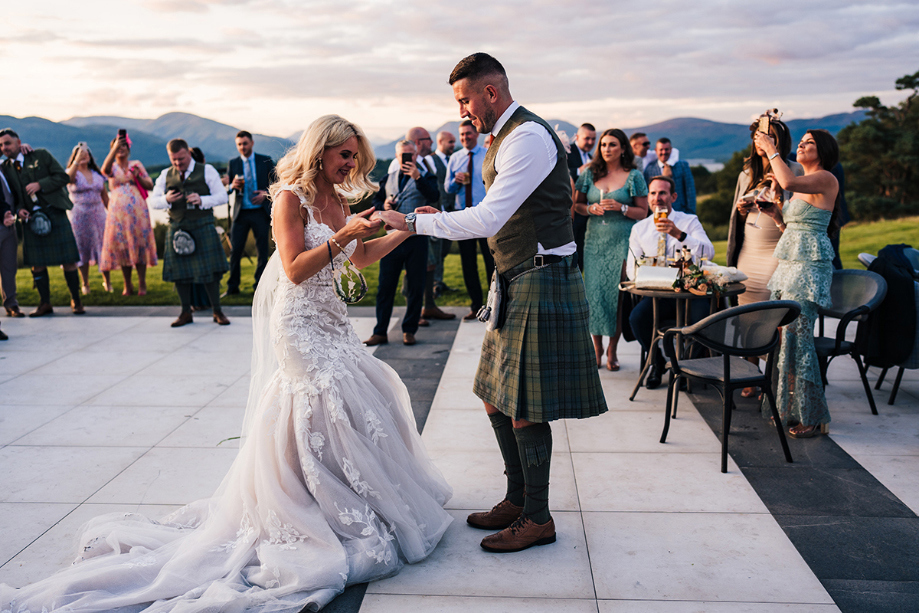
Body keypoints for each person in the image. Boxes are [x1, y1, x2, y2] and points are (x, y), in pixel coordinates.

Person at [0, 114, 453, 613]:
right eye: (345, 154)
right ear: (319, 151)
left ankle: (347, 499)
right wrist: (347, 236)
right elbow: (297, 269)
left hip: (333, 321)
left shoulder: (341, 200)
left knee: (363, 398)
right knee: (320, 404)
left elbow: (359, 260)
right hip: (300, 324)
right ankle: (305, 507)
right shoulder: (289, 198)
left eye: (356, 157)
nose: (351, 164)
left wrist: (406, 230)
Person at [379, 52, 607, 553]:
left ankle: (538, 517)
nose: (461, 111)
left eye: (464, 100)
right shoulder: (504, 135)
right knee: (493, 393)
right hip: (518, 277)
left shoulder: (525, 136)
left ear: (491, 92)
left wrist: (415, 224)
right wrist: (439, 214)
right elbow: (493, 214)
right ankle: (517, 496)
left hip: (542, 278)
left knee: (525, 406)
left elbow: (487, 219)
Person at [754, 129, 839, 439]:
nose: (802, 146)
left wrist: (770, 147)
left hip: (808, 270)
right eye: (801, 142)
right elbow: (794, 227)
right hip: (789, 266)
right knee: (785, 337)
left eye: (809, 142)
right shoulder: (801, 185)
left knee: (799, 341)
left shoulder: (826, 178)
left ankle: (814, 416)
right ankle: (789, 408)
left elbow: (786, 180)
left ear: (824, 150)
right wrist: (778, 216)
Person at [726, 114, 803, 398]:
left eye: (770, 134)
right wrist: (743, 207)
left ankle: (774, 378)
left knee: (773, 319)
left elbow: (798, 216)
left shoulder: (794, 169)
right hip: (749, 252)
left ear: (781, 139)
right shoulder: (746, 173)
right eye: (760, 134)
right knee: (748, 319)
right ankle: (750, 374)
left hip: (777, 251)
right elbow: (736, 214)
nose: (764, 139)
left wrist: (779, 196)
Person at [627, 176, 715, 389]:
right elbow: (632, 270)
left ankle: (686, 367)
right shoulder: (639, 229)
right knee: (637, 319)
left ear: (673, 196)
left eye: (663, 193)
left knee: (701, 321)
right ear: (648, 198)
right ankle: (657, 362)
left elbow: (709, 252)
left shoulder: (689, 221)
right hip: (660, 295)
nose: (658, 198)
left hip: (690, 294)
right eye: (653, 193)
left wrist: (679, 234)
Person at [572, 128, 649, 371]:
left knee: (615, 297)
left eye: (612, 145)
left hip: (621, 242)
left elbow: (643, 212)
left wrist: (621, 208)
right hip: (594, 242)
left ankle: (612, 351)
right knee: (594, 297)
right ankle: (596, 349)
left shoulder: (634, 176)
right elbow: (577, 205)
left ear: (623, 148)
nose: (606, 149)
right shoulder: (588, 174)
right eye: (603, 144)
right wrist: (591, 209)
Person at [0, 128, 85, 316]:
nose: (4, 147)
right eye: (1, 145)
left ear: (18, 142)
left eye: (8, 143)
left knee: (69, 260)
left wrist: (41, 184)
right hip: (30, 219)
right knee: (37, 264)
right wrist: (18, 209)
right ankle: (45, 303)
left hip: (53, 211)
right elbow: (11, 194)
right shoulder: (4, 167)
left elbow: (62, 177)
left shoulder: (40, 155)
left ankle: (76, 301)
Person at [364, 139, 438, 346]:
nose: (408, 158)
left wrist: (418, 177)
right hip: (390, 240)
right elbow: (376, 202)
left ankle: (410, 330)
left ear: (416, 156)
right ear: (397, 157)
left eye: (411, 154)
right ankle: (380, 331)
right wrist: (384, 204)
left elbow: (434, 195)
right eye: (403, 155)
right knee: (385, 286)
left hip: (416, 238)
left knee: (416, 286)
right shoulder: (388, 178)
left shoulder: (426, 176)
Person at [149, 138, 230, 327]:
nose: (178, 163)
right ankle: (186, 312)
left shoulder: (207, 170)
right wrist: (167, 200)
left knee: (211, 272)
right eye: (174, 159)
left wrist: (202, 200)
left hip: (202, 225)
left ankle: (217, 311)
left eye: (181, 159)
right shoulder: (165, 175)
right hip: (178, 228)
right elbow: (153, 201)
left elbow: (222, 196)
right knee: (180, 274)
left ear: (188, 153)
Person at [446, 119, 495, 320]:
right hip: (463, 217)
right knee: (468, 265)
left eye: (469, 133)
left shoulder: (487, 155)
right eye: (462, 135)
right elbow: (447, 189)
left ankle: (494, 304)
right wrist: (454, 182)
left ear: (476, 134)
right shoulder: (455, 158)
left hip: (485, 216)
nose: (465, 137)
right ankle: (475, 306)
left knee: (491, 263)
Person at [100, 131, 158, 296]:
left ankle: (142, 283)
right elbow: (104, 170)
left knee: (139, 245)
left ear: (129, 148)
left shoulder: (136, 164)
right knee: (122, 246)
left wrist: (138, 176)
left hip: (137, 211)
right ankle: (127, 284)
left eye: (124, 145)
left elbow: (149, 185)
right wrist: (114, 147)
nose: (121, 148)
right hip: (117, 213)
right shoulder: (112, 167)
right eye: (118, 146)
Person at [224, 130, 276, 296]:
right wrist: (232, 185)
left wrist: (265, 194)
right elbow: (227, 190)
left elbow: (277, 184)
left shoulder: (265, 160)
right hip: (241, 213)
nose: (242, 147)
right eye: (239, 144)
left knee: (262, 250)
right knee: (235, 251)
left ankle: (259, 287)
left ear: (252, 143)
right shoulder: (233, 163)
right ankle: (233, 287)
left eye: (245, 143)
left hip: (260, 212)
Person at [65, 142, 111, 294]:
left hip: (98, 214)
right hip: (79, 215)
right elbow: (69, 179)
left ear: (90, 157)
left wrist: (112, 215)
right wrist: (76, 161)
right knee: (81, 248)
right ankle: (85, 283)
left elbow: (105, 197)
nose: (84, 156)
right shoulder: (72, 173)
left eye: (86, 154)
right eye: (80, 154)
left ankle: (107, 282)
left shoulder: (97, 175)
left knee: (102, 247)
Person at [567, 123, 596, 269]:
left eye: (593, 139)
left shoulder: (591, 157)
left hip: (587, 211)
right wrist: (579, 170)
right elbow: (559, 172)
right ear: (577, 137)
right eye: (587, 138)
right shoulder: (567, 151)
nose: (590, 142)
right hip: (571, 210)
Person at [431, 130, 456, 298]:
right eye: (450, 142)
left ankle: (439, 281)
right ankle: (434, 285)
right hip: (436, 212)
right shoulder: (430, 161)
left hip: (452, 211)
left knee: (444, 251)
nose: (453, 145)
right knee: (436, 251)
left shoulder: (454, 159)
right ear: (440, 142)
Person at [642, 137, 696, 214]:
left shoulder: (683, 165)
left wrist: (691, 212)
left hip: (681, 211)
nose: (664, 152)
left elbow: (690, 191)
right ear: (656, 150)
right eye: (661, 149)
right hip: (657, 213)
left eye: (666, 149)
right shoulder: (649, 169)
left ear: (671, 150)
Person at [0, 149, 22, 319]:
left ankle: (11, 303)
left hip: (9, 225)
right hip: (2, 220)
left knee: (9, 266)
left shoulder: (4, 168)